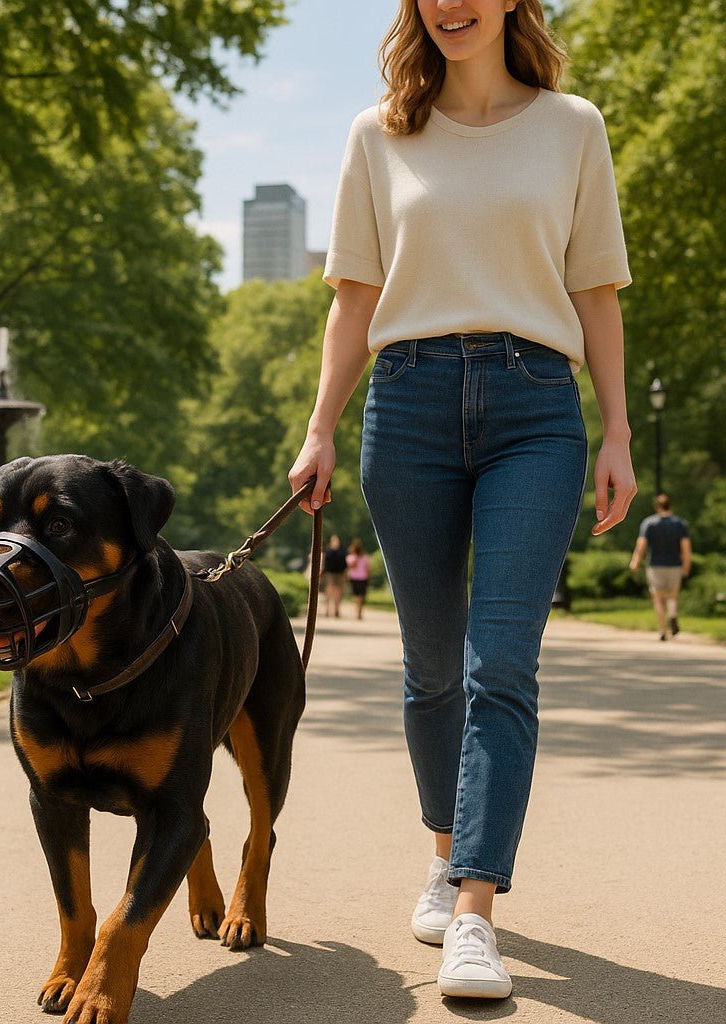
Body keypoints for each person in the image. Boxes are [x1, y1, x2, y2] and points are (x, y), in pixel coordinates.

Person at [289, 0, 637, 1001]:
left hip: (536, 409)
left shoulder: (573, 126)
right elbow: (353, 298)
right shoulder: (378, 133)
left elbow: (596, 288)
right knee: (432, 668)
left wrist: (616, 432)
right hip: (405, 408)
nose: (449, 5)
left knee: (500, 666)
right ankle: (445, 855)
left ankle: (476, 911)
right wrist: (318, 427)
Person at [629, 493, 691, 641]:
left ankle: (663, 630)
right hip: (675, 566)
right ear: (670, 505)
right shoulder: (680, 524)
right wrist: (687, 565)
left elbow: (641, 545)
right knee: (672, 596)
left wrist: (635, 561)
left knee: (658, 598)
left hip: (655, 566)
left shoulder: (649, 523)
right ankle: (673, 615)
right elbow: (686, 548)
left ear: (657, 506)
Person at [322, 535, 349, 616]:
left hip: (339, 574)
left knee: (338, 592)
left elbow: (345, 565)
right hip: (330, 574)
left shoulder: (342, 552)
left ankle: (336, 610)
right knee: (329, 591)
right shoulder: (328, 552)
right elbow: (325, 564)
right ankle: (327, 609)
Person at [345, 538, 372, 619]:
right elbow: (352, 566)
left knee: (359, 595)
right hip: (357, 578)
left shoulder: (364, 557)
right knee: (359, 595)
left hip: (361, 578)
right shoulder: (351, 557)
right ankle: (358, 611)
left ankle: (358, 611)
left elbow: (368, 568)